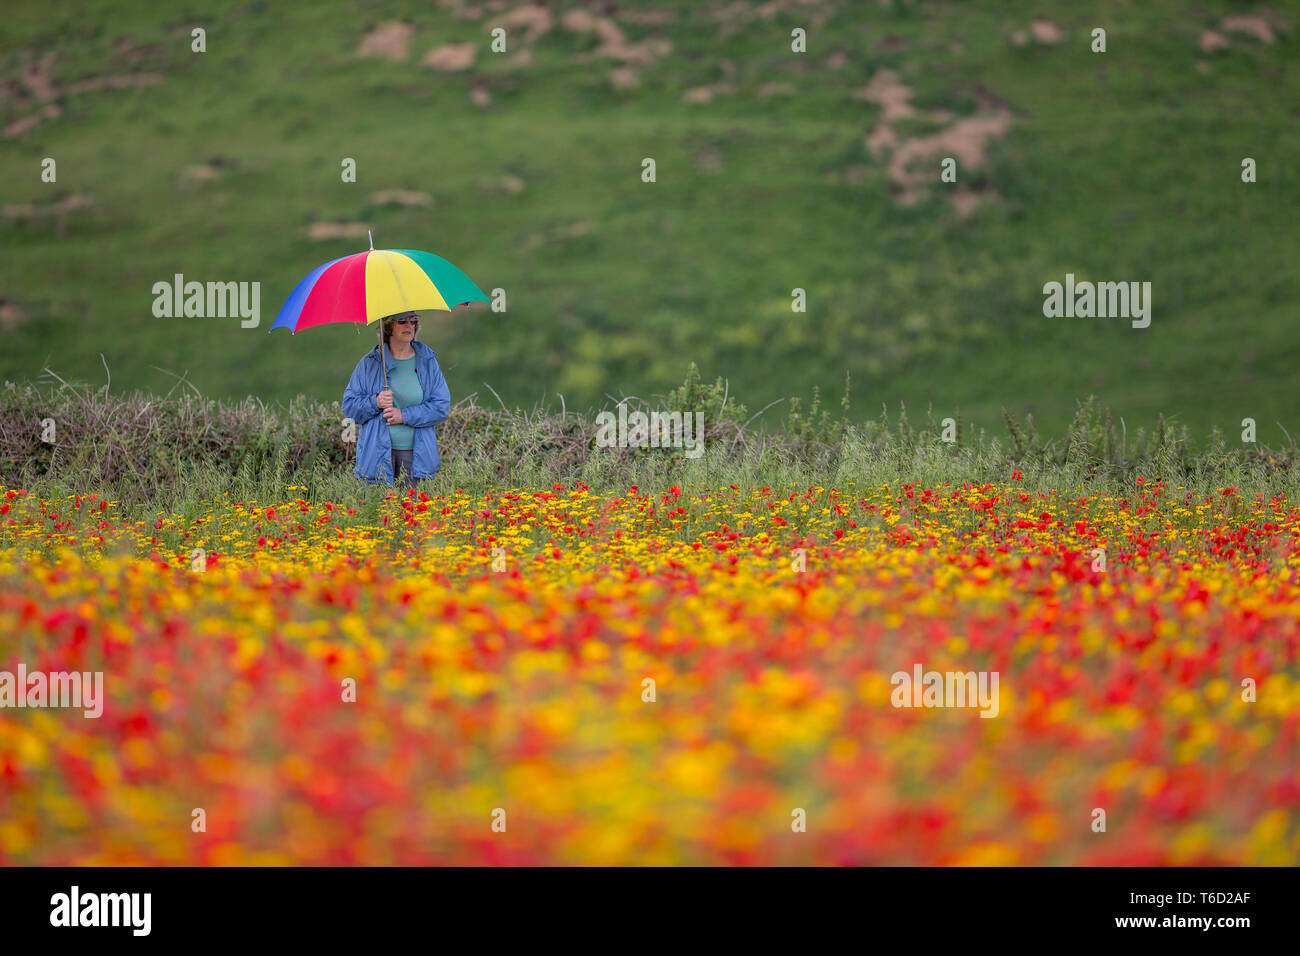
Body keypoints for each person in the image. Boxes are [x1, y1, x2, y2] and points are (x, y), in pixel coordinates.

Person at [341, 311, 451, 488]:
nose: (409, 326)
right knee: (378, 514)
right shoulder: (369, 363)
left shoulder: (428, 362)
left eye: (413, 321)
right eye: (402, 321)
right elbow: (349, 406)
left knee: (414, 514)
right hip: (376, 456)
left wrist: (404, 415)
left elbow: (441, 407)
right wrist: (375, 402)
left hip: (416, 458)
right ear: (389, 327)